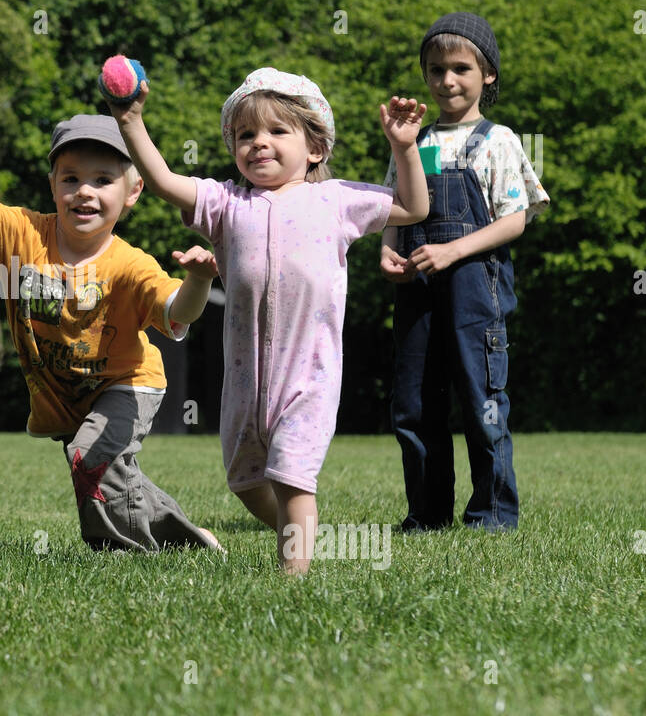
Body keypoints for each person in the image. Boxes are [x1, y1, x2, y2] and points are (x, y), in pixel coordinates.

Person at [110, 68, 430, 573]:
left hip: (310, 373)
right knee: (246, 482)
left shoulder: (337, 200)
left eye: (278, 131)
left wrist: (404, 148)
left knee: (293, 477)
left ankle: (292, 580)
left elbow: (414, 206)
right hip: (244, 379)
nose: (259, 143)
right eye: (246, 134)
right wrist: (130, 121)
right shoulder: (226, 203)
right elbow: (165, 181)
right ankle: (299, 532)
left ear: (316, 147)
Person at [0, 113, 224, 553]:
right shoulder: (26, 234)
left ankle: (119, 554)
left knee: (92, 460)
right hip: (67, 397)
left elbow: (177, 312)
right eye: (71, 178)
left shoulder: (131, 265)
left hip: (128, 385)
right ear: (53, 184)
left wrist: (200, 282)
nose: (85, 191)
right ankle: (189, 542)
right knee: (112, 474)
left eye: (103, 179)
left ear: (132, 191)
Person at [380, 12, 549, 532]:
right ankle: (427, 514)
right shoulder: (413, 141)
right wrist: (388, 248)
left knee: (482, 401)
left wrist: (452, 252)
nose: (446, 80)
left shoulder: (498, 141)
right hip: (418, 289)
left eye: (460, 69)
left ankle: (492, 515)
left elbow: (515, 219)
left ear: (487, 74)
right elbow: (394, 205)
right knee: (414, 404)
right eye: (435, 70)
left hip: (478, 291)